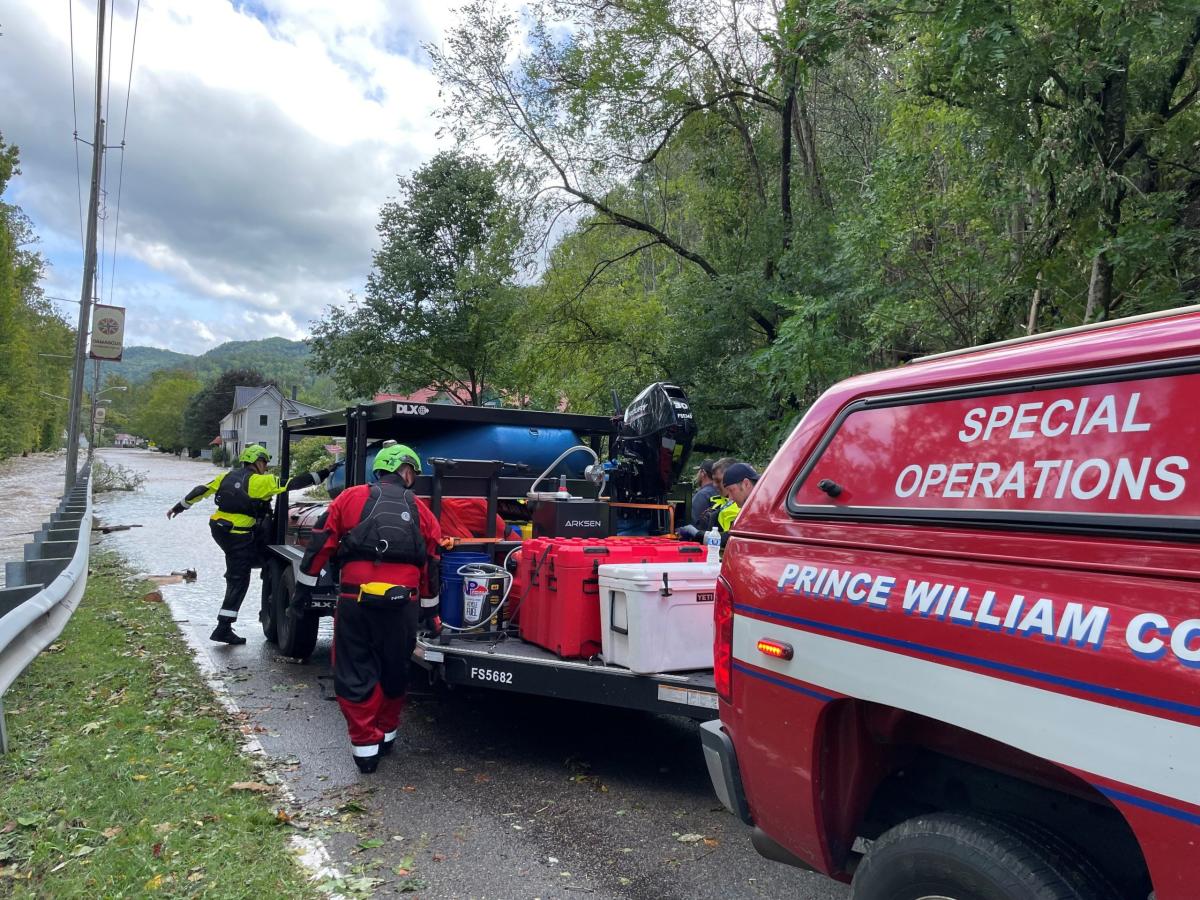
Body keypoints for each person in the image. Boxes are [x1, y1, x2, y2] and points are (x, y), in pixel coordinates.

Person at [297, 444, 443, 774]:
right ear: (407, 471)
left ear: (379, 471)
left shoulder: (348, 498)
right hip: (401, 605)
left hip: (354, 601)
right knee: (394, 669)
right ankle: (387, 734)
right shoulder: (422, 510)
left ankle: (365, 749)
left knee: (354, 669)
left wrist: (302, 594)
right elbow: (431, 564)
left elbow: (320, 544)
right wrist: (431, 614)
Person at [166, 444, 333, 645]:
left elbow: (200, 490)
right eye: (264, 463)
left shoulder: (226, 477)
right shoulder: (260, 482)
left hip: (219, 529)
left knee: (243, 567)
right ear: (257, 462)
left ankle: (248, 573)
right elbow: (294, 483)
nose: (266, 467)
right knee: (239, 579)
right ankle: (223, 628)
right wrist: (324, 473)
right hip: (238, 534)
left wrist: (180, 507)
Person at [718, 461, 760, 531]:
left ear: (746, 484)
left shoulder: (763, 511)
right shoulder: (764, 506)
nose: (730, 499)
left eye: (731, 490)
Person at [690, 459, 717, 527]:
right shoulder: (721, 491)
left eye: (698, 471)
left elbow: (693, 523)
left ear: (703, 473)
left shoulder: (702, 495)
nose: (697, 475)